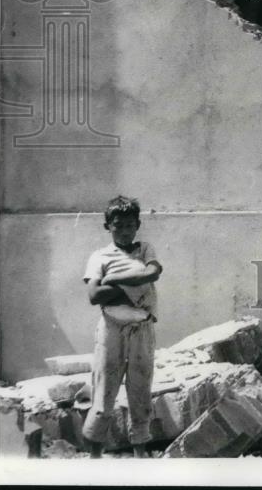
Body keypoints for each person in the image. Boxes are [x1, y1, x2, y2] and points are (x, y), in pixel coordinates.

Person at [81, 195, 162, 458]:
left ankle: (140, 452)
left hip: (142, 328)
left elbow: (152, 273)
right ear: (108, 226)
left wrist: (113, 279)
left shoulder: (145, 249)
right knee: (104, 390)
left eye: (130, 225)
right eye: (119, 225)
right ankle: (95, 454)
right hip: (111, 328)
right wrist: (130, 289)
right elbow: (94, 295)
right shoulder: (100, 256)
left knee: (140, 389)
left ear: (137, 225)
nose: (125, 231)